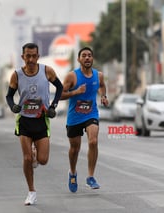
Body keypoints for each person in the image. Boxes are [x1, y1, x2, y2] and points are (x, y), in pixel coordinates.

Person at [5, 43, 63, 205]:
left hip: (41, 120)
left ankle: (36, 155)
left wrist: (53, 106)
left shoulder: (47, 71)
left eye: (33, 56)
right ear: (23, 57)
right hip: (24, 120)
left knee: (43, 160)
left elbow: (59, 87)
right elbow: (9, 96)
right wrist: (13, 106)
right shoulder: (16, 75)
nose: (30, 59)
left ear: (38, 56)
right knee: (27, 158)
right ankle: (31, 191)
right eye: (27, 56)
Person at [60, 47, 109, 193]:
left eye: (89, 55)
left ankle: (90, 177)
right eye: (84, 56)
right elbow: (61, 95)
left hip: (91, 114)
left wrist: (103, 96)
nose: (87, 58)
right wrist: (76, 92)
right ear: (79, 59)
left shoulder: (98, 75)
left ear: (92, 59)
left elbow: (102, 86)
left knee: (93, 141)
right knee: (75, 149)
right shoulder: (72, 77)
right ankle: (73, 172)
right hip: (74, 116)